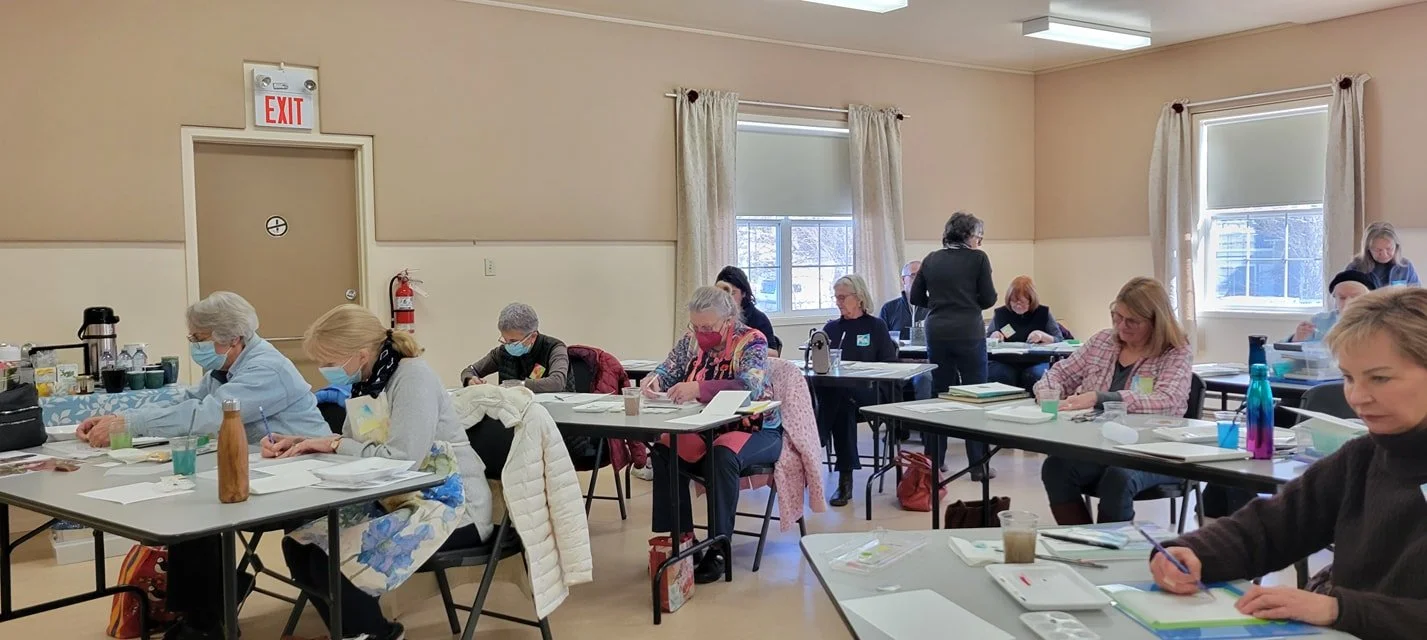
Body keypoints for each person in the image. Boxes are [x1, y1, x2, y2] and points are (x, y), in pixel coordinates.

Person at [1150, 287, 1427, 638]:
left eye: (1380, 378)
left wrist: (1339, 609)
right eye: (1348, 377)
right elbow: (1274, 527)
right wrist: (1192, 552)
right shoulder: (1362, 457)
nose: (1357, 397)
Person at [75, 292, 332, 640]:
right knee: (190, 510)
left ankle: (207, 620)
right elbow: (193, 402)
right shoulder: (225, 367)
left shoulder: (266, 368)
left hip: (303, 475)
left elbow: (208, 416)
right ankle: (207, 611)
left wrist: (129, 424)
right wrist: (119, 417)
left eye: (198, 338)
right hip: (260, 468)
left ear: (233, 338)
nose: (193, 345)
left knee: (199, 517)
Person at [265, 305, 492, 640]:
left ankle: (371, 635)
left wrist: (334, 445)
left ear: (360, 354)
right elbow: (352, 443)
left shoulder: (413, 378)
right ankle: (360, 632)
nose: (324, 370)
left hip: (450, 504)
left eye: (329, 362)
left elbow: (402, 459)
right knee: (301, 545)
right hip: (396, 496)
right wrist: (310, 442)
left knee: (334, 557)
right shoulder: (367, 381)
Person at [640, 286, 782, 584]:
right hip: (706, 427)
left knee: (721, 456)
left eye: (708, 327)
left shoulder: (752, 340)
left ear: (728, 318)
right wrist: (654, 380)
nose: (701, 332)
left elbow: (750, 387)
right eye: (696, 326)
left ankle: (719, 547)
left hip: (755, 429)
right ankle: (682, 538)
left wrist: (698, 389)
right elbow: (669, 368)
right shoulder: (691, 341)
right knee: (664, 448)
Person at [1036, 277, 1193, 524]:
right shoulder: (1102, 342)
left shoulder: (1175, 351)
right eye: (1117, 317)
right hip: (1100, 445)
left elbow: (1168, 399)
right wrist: (1049, 394)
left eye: (1132, 321)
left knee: (1118, 479)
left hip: (1155, 452)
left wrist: (1101, 398)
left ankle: (1110, 549)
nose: (1121, 326)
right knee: (1056, 468)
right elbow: (1059, 373)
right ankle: (1081, 541)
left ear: (1157, 321)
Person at [910, 212, 997, 480]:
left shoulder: (931, 259)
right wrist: (966, 304)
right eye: (978, 237)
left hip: (937, 331)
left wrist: (940, 305)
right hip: (969, 332)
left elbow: (915, 296)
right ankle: (978, 465)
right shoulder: (978, 259)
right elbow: (989, 298)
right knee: (975, 396)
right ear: (971, 236)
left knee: (940, 396)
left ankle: (935, 462)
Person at [816, 274, 898, 507]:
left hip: (870, 391)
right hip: (841, 397)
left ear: (859, 298)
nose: (838, 302)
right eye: (836, 297)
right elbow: (820, 366)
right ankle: (845, 480)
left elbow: (889, 366)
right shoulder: (831, 328)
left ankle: (817, 436)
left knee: (839, 398)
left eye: (843, 297)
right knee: (841, 402)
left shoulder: (876, 326)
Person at [460, 302, 572, 392]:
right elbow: (469, 371)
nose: (508, 345)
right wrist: (470, 380)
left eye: (513, 341)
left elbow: (557, 382)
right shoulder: (502, 352)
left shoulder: (555, 348)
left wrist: (519, 385)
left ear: (532, 336)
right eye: (505, 339)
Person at [986, 276, 1063, 389]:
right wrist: (994, 336)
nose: (1017, 305)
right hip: (1005, 361)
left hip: (1035, 361)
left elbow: (1059, 338)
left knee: (1035, 375)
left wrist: (1042, 336)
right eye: (1013, 301)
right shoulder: (1001, 314)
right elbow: (987, 338)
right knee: (1001, 375)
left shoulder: (1043, 313)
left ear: (1031, 300)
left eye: (1022, 302)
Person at [1288, 270, 1375, 343]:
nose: (1348, 302)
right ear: (1335, 299)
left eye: (1355, 297)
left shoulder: (1378, 321)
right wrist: (1297, 338)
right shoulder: (1320, 321)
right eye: (1342, 298)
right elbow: (1286, 352)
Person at [715, 265, 781, 355]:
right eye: (722, 293)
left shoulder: (758, 318)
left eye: (733, 293)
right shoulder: (713, 317)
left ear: (744, 293)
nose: (727, 298)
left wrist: (743, 348)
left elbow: (774, 354)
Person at [1345, 221, 1419, 288]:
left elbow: (1417, 296)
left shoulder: (1405, 267)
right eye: (1377, 250)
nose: (1384, 254)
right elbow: (1343, 297)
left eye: (1389, 249)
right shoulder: (1355, 268)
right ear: (1368, 249)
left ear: (1396, 246)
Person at [879, 260, 929, 339]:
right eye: (913, 275)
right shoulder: (888, 309)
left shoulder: (933, 308)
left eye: (921, 276)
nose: (919, 280)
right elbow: (880, 340)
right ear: (903, 280)